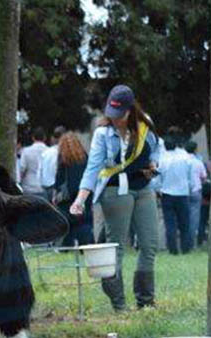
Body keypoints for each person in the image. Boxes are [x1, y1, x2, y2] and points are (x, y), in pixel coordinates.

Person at [69, 85, 161, 310]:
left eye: (120, 115)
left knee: (149, 244)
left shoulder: (145, 125)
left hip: (143, 188)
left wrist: (154, 166)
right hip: (115, 190)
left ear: (131, 110)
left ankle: (146, 302)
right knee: (116, 247)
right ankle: (119, 306)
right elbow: (93, 168)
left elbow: (157, 150)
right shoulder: (103, 133)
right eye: (112, 114)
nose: (116, 119)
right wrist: (80, 199)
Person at [157, 128, 196, 255]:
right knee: (184, 223)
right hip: (183, 194)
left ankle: (172, 249)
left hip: (167, 194)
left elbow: (158, 178)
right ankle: (186, 248)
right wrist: (190, 188)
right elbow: (190, 176)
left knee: (170, 224)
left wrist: (158, 190)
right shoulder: (185, 157)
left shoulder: (163, 158)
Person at [53, 132, 91, 247]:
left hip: (67, 199)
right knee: (84, 223)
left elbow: (59, 181)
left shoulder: (63, 160)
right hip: (85, 194)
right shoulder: (85, 158)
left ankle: (66, 248)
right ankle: (85, 246)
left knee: (68, 225)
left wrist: (55, 197)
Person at [184, 140, 207, 249]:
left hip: (183, 192)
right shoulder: (198, 162)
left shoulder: (182, 161)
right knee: (194, 219)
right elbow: (204, 177)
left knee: (183, 217)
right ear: (195, 149)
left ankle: (182, 241)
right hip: (196, 191)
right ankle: (191, 243)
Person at [18, 127, 49, 198]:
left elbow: (22, 170)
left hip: (28, 187)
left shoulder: (26, 151)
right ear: (44, 138)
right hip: (43, 187)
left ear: (33, 138)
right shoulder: (49, 151)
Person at [39, 126, 65, 200]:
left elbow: (40, 170)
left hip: (45, 186)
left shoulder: (46, 152)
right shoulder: (63, 153)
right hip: (57, 187)